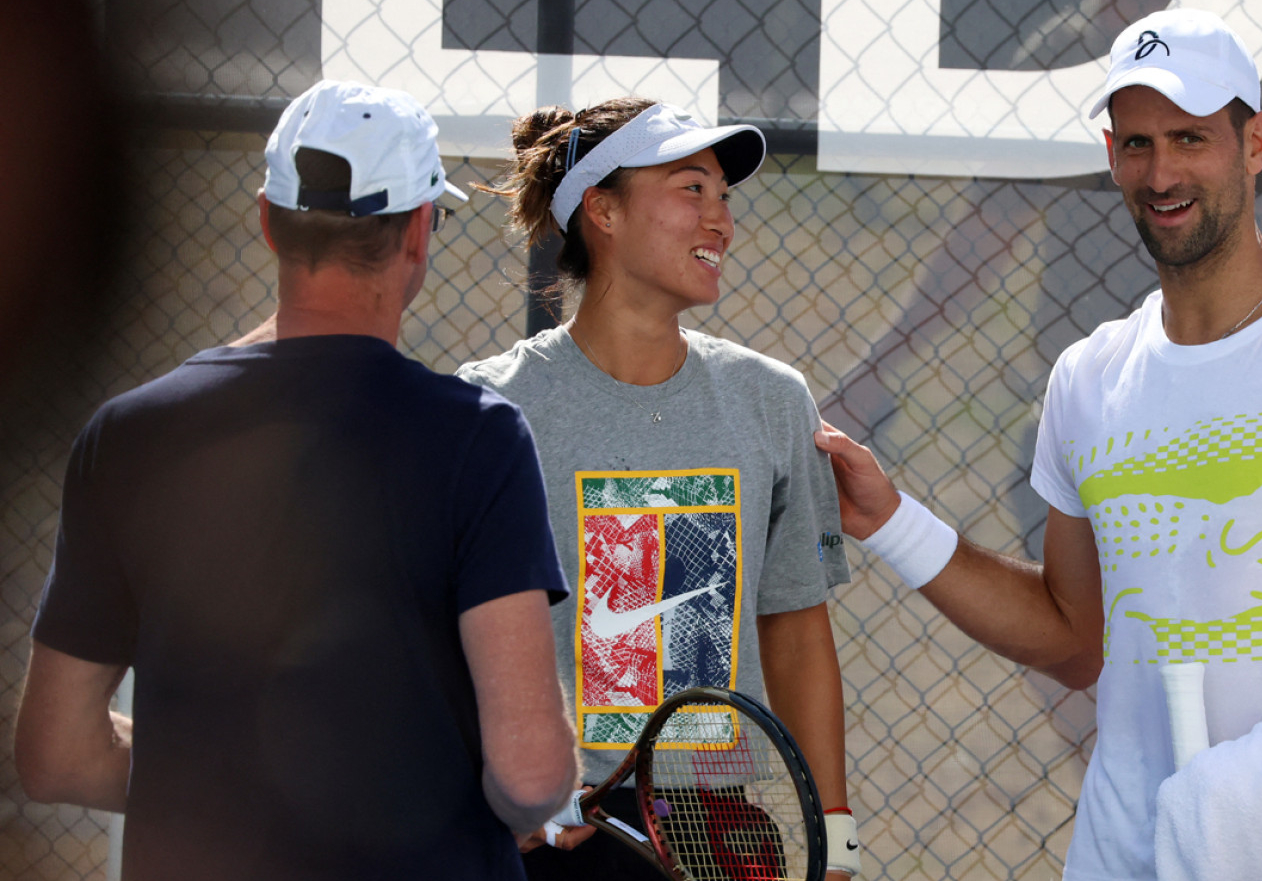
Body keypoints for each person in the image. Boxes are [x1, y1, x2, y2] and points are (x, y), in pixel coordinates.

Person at [814, 9, 1262, 881]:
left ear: (1256, 145)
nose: (1162, 172)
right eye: (1137, 144)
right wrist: (890, 520)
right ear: (1111, 156)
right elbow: (1073, 638)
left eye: (1190, 139)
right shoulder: (1087, 376)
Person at [14, 80, 578, 880]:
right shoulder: (479, 437)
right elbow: (529, 776)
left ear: (268, 221)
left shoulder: (129, 434)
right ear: (420, 229)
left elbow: (57, 754)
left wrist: (229, 788)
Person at [456, 98, 861, 880]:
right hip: (544, 840)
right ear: (603, 210)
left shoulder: (774, 400)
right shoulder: (489, 405)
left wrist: (835, 844)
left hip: (717, 833)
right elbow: (447, 635)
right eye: (691, 189)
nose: (721, 221)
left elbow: (797, 628)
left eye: (724, 196)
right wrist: (508, 788)